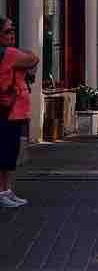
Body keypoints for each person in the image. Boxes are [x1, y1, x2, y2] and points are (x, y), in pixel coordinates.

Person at [0, 16, 38, 207]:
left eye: (13, 30)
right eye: (7, 31)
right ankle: (3, 192)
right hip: (9, 109)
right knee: (6, 153)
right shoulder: (10, 54)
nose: (12, 34)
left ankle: (6, 191)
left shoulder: (8, 53)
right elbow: (33, 58)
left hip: (12, 109)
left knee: (8, 152)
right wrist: (27, 54)